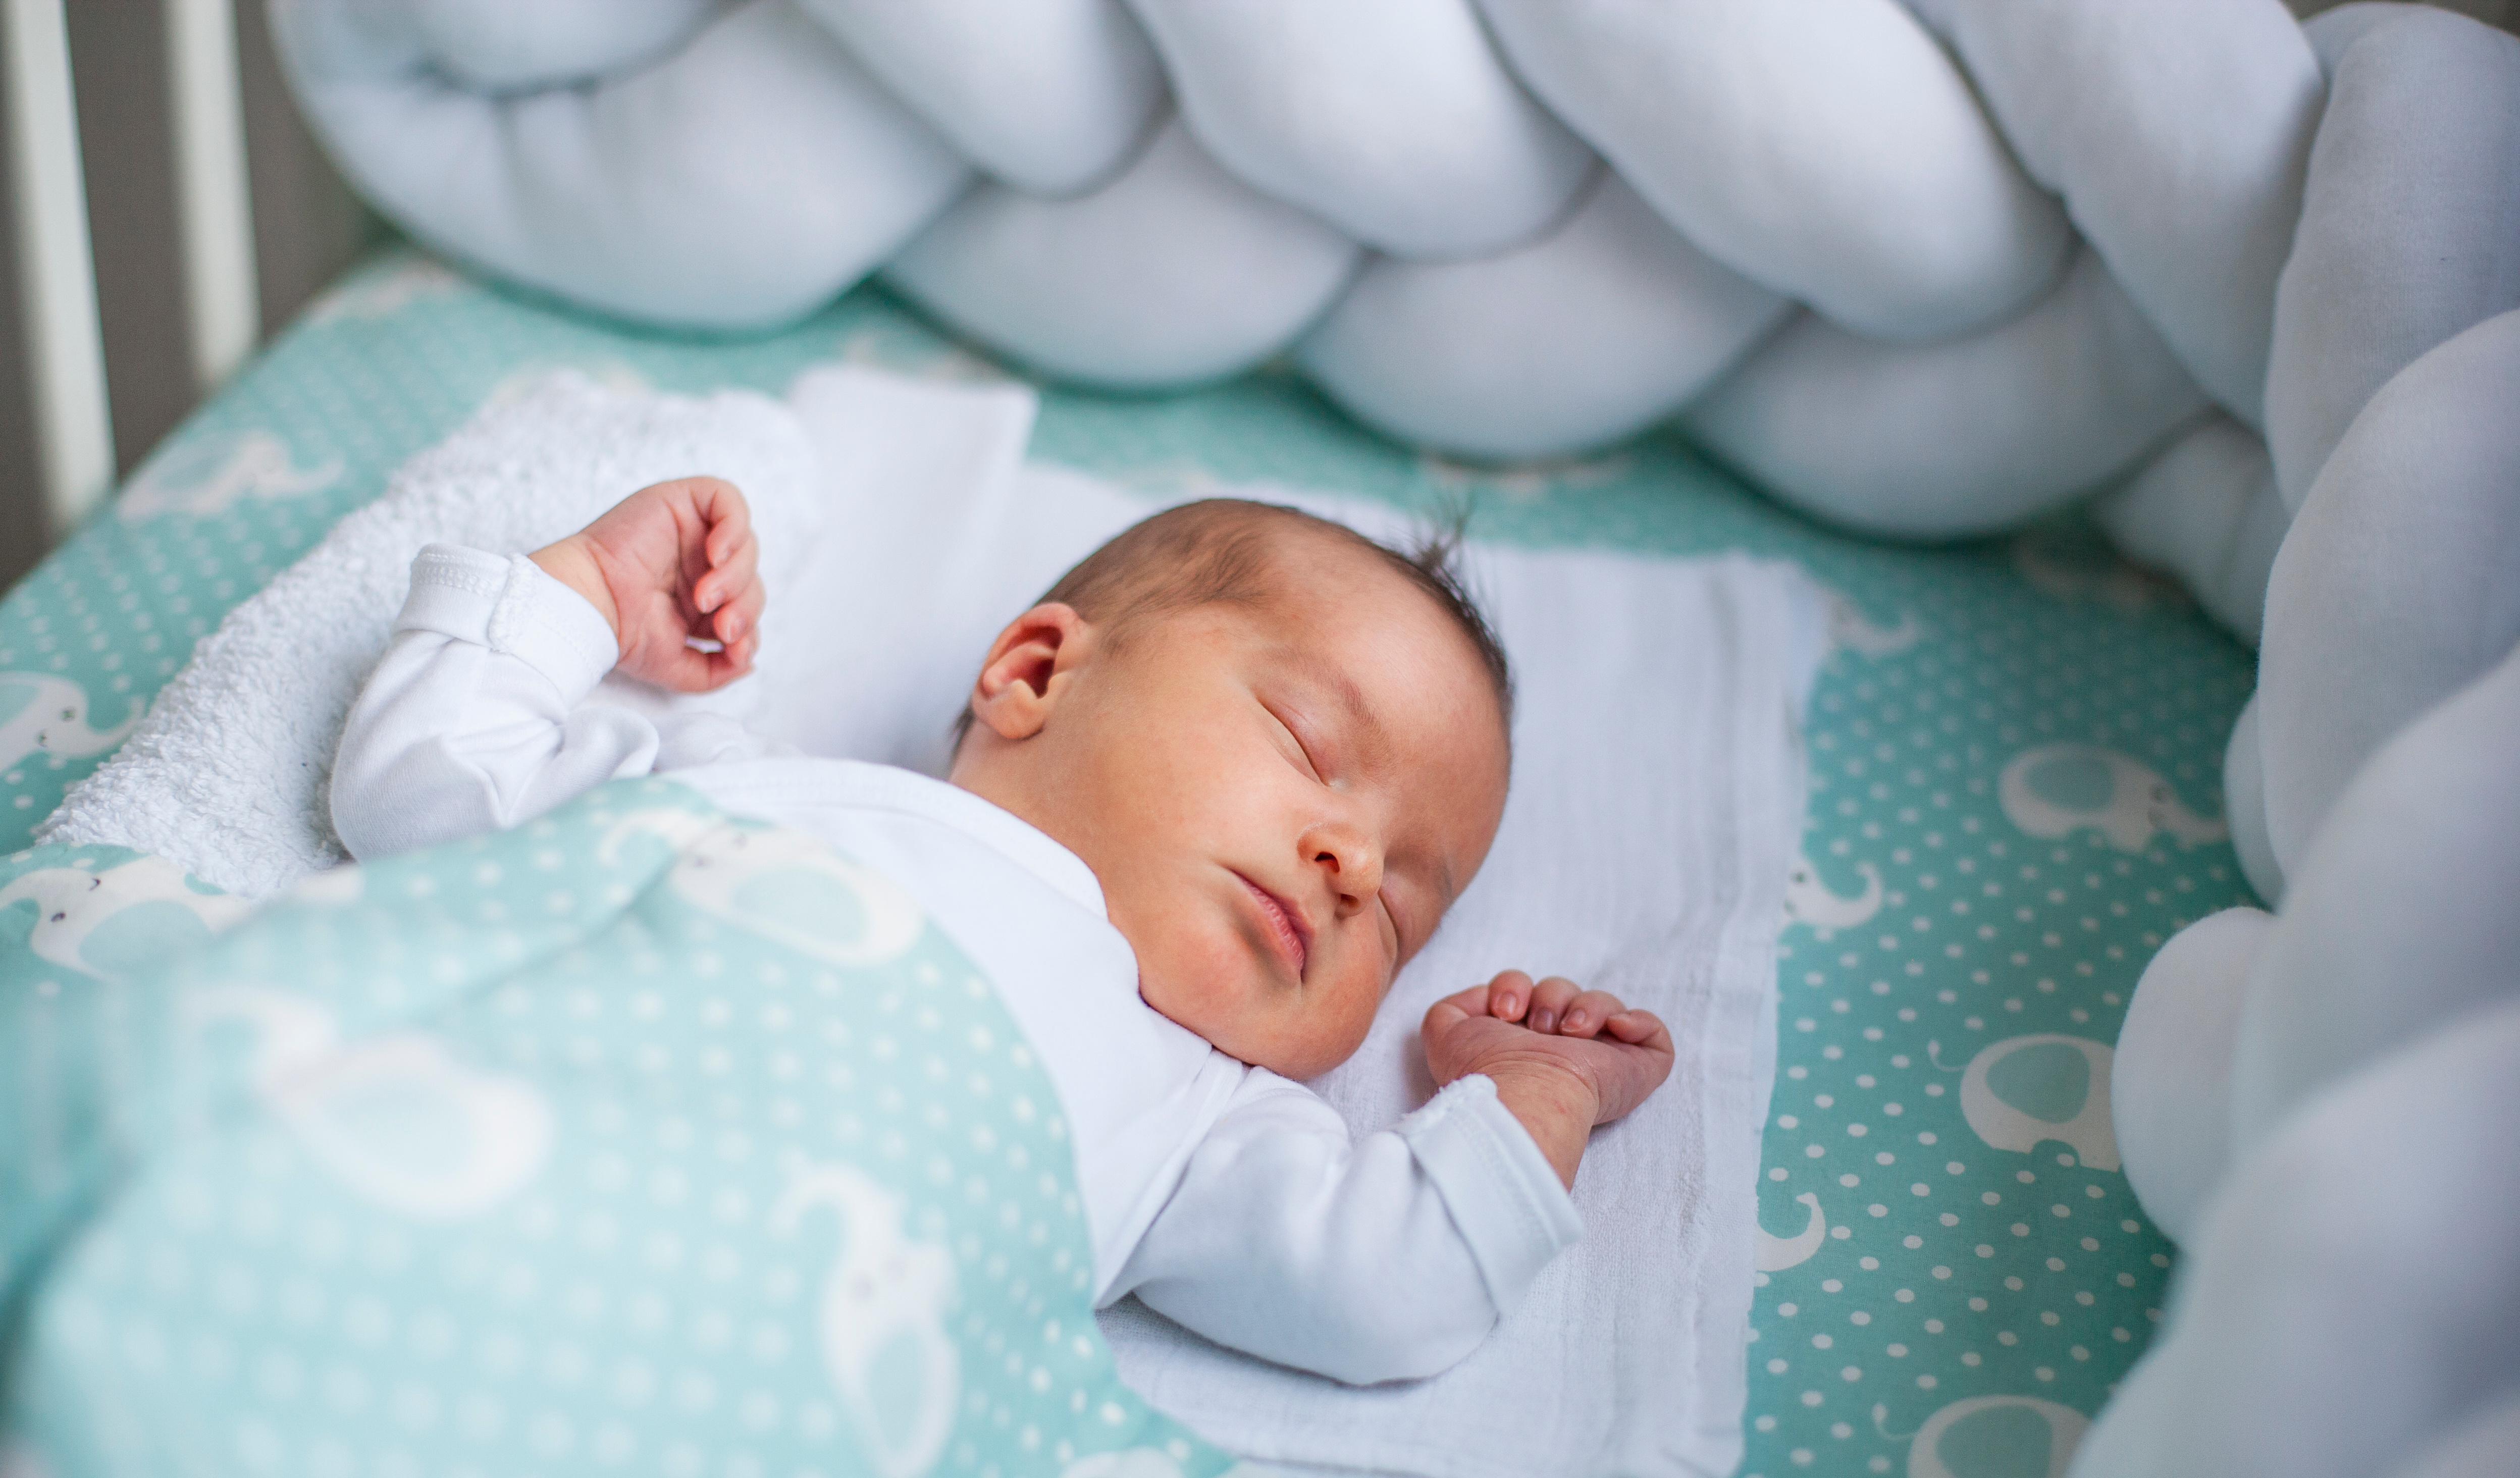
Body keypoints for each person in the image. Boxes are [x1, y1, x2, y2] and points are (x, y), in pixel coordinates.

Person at [332, 478, 1674, 1384]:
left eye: (1400, 910)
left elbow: (1395, 1288)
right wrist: (587, 594)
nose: (1352, 864)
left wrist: (1536, 1094)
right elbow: (424, 794)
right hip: (409, 1195)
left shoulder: (1198, 1122)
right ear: (1036, 673)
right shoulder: (754, 791)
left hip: (663, 1384)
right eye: (1308, 742)